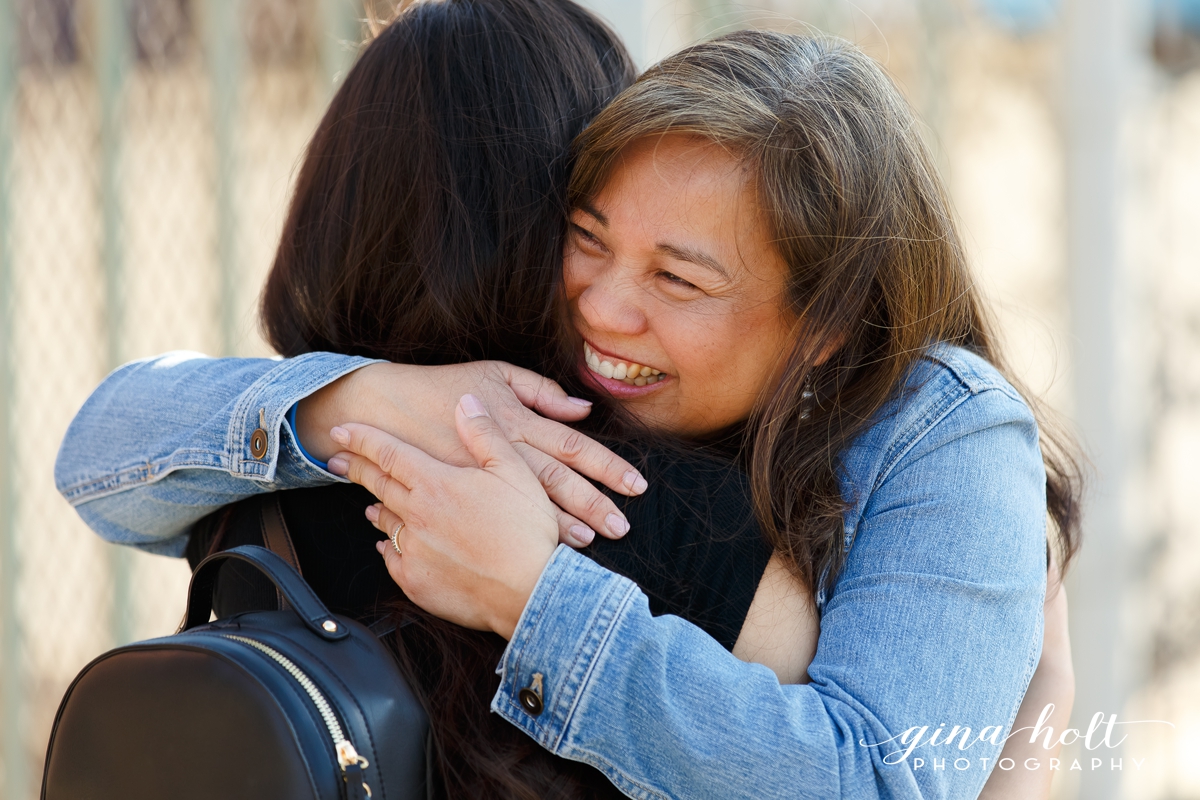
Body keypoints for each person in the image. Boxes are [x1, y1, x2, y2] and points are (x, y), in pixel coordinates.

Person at [53, 6, 1077, 798]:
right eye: (584, 237)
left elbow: (876, 774)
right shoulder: (492, 435)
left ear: (826, 322)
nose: (604, 305)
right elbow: (96, 453)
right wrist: (365, 399)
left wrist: (533, 595)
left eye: (677, 279)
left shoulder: (928, 433)